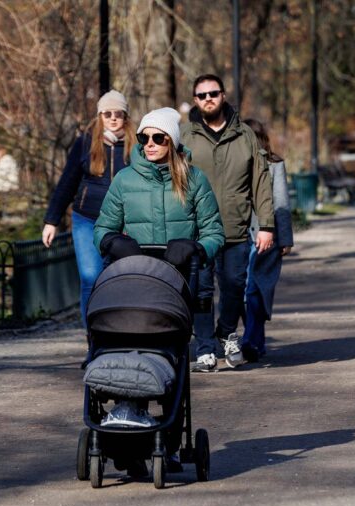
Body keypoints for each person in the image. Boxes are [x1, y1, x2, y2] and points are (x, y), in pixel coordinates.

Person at [93, 107, 225, 425]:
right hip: (135, 279)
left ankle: (169, 427)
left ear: (173, 143)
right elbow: (102, 227)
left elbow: (214, 232)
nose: (149, 143)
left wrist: (196, 248)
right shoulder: (124, 180)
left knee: (170, 354)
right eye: (144, 137)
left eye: (158, 138)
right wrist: (113, 242)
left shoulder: (194, 180)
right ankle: (125, 409)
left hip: (176, 285)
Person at [180, 74, 275, 372]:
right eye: (202, 95)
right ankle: (206, 348)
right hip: (198, 230)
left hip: (235, 226)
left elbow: (260, 181)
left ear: (223, 95)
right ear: (195, 100)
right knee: (202, 290)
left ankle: (226, 331)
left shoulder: (244, 134)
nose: (208, 99)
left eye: (213, 93)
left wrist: (267, 225)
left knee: (235, 285)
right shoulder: (186, 137)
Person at [41, 90, 136, 326]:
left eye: (118, 113)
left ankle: (120, 333)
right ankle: (93, 339)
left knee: (122, 279)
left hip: (124, 223)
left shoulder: (139, 144)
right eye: (107, 114)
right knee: (91, 278)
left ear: (125, 116)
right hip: (87, 220)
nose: (113, 118)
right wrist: (51, 220)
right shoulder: (85, 143)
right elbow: (67, 182)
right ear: (99, 116)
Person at [240, 119, 294, 362]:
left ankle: (251, 340)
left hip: (266, 233)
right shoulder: (236, 162)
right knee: (246, 290)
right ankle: (255, 341)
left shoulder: (274, 165)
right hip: (240, 234)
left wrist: (285, 238)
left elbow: (281, 203)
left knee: (256, 288)